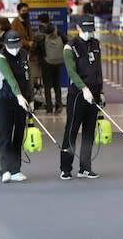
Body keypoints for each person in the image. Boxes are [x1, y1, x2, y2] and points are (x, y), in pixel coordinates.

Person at [60, 15, 104, 180]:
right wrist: (84, 89)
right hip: (78, 94)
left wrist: (101, 90)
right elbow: (71, 71)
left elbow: (98, 68)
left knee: (89, 132)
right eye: (85, 30)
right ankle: (65, 168)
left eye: (91, 30)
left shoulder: (95, 44)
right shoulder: (70, 47)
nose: (88, 33)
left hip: (94, 93)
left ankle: (85, 167)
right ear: (78, 28)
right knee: (71, 130)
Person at [0, 29, 33, 183]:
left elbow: (28, 77)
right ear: (5, 44)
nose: (16, 49)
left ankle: (16, 169)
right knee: (5, 134)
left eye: (18, 45)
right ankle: (4, 169)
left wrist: (30, 98)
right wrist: (19, 95)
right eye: (12, 46)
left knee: (18, 134)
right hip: (4, 99)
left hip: (22, 100)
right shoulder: (0, 57)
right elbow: (10, 78)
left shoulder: (24, 54)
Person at [31, 13, 66, 114]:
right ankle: (59, 104)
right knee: (56, 84)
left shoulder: (40, 33)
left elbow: (34, 47)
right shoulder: (56, 30)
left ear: (40, 21)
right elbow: (65, 40)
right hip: (57, 60)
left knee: (47, 85)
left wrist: (35, 54)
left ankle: (49, 107)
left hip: (46, 61)